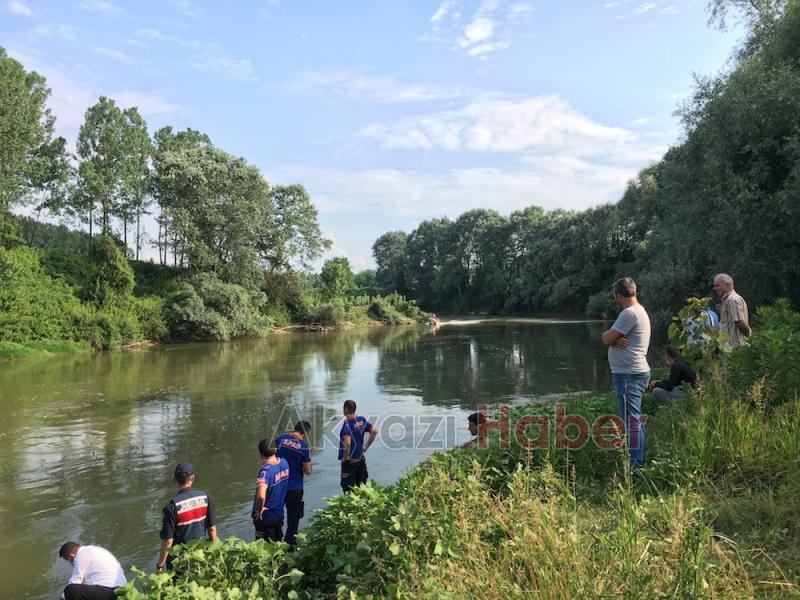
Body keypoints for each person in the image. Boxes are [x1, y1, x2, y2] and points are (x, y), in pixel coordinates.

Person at [601, 277, 651, 470]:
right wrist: (615, 339)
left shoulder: (629, 314)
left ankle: (636, 468)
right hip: (633, 373)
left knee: (632, 423)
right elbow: (612, 339)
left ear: (619, 296)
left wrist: (612, 338)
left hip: (629, 375)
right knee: (633, 421)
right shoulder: (638, 311)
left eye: (615, 296)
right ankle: (637, 463)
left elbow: (605, 338)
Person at [157, 462, 217, 572]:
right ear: (192, 478)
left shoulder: (172, 506)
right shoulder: (206, 498)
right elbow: (212, 530)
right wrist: (215, 556)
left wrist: (160, 566)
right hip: (200, 556)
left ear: (175, 480)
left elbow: (168, 541)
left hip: (179, 562)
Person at [274, 421, 313, 546]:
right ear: (305, 433)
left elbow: (272, 458)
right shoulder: (304, 447)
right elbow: (308, 471)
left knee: (276, 515)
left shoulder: (279, 439)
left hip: (278, 485)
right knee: (293, 519)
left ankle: (275, 541)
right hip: (294, 488)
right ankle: (290, 546)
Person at [58, 541, 126, 600]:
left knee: (70, 590)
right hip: (121, 589)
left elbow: (74, 583)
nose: (70, 563)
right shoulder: (93, 550)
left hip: (111, 592)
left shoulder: (82, 555)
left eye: (67, 560)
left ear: (71, 556)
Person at [252, 438, 290, 542]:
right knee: (277, 544)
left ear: (260, 453)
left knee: (263, 548)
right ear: (275, 450)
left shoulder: (265, 472)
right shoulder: (284, 463)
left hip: (266, 517)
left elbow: (261, 495)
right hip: (278, 513)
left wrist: (259, 510)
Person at [338, 400, 378, 493]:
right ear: (354, 409)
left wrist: (345, 457)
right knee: (362, 488)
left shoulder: (347, 424)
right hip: (360, 460)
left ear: (346, 409)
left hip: (350, 462)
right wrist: (366, 446)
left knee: (348, 490)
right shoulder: (361, 420)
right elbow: (374, 431)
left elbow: (347, 443)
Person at [713, 273, 751, 349]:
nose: (715, 288)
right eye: (715, 286)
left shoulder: (732, 300)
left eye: (718, 285)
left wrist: (750, 335)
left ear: (727, 284)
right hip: (730, 347)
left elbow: (739, 322)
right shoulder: (728, 300)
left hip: (735, 347)